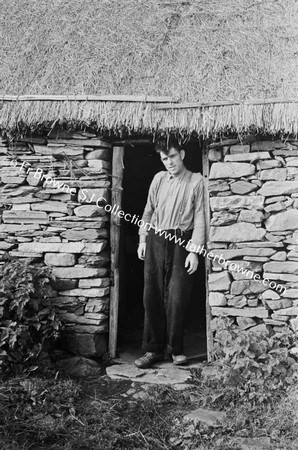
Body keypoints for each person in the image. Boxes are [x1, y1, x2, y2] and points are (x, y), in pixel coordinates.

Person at [134, 139, 205, 369]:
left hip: (181, 241)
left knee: (177, 295)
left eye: (172, 156)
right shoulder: (158, 179)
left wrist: (194, 251)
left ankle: (176, 350)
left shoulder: (196, 181)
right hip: (155, 238)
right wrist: (142, 239)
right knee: (151, 295)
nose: (169, 162)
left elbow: (201, 219)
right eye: (165, 159)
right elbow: (148, 210)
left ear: (182, 154)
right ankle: (153, 350)